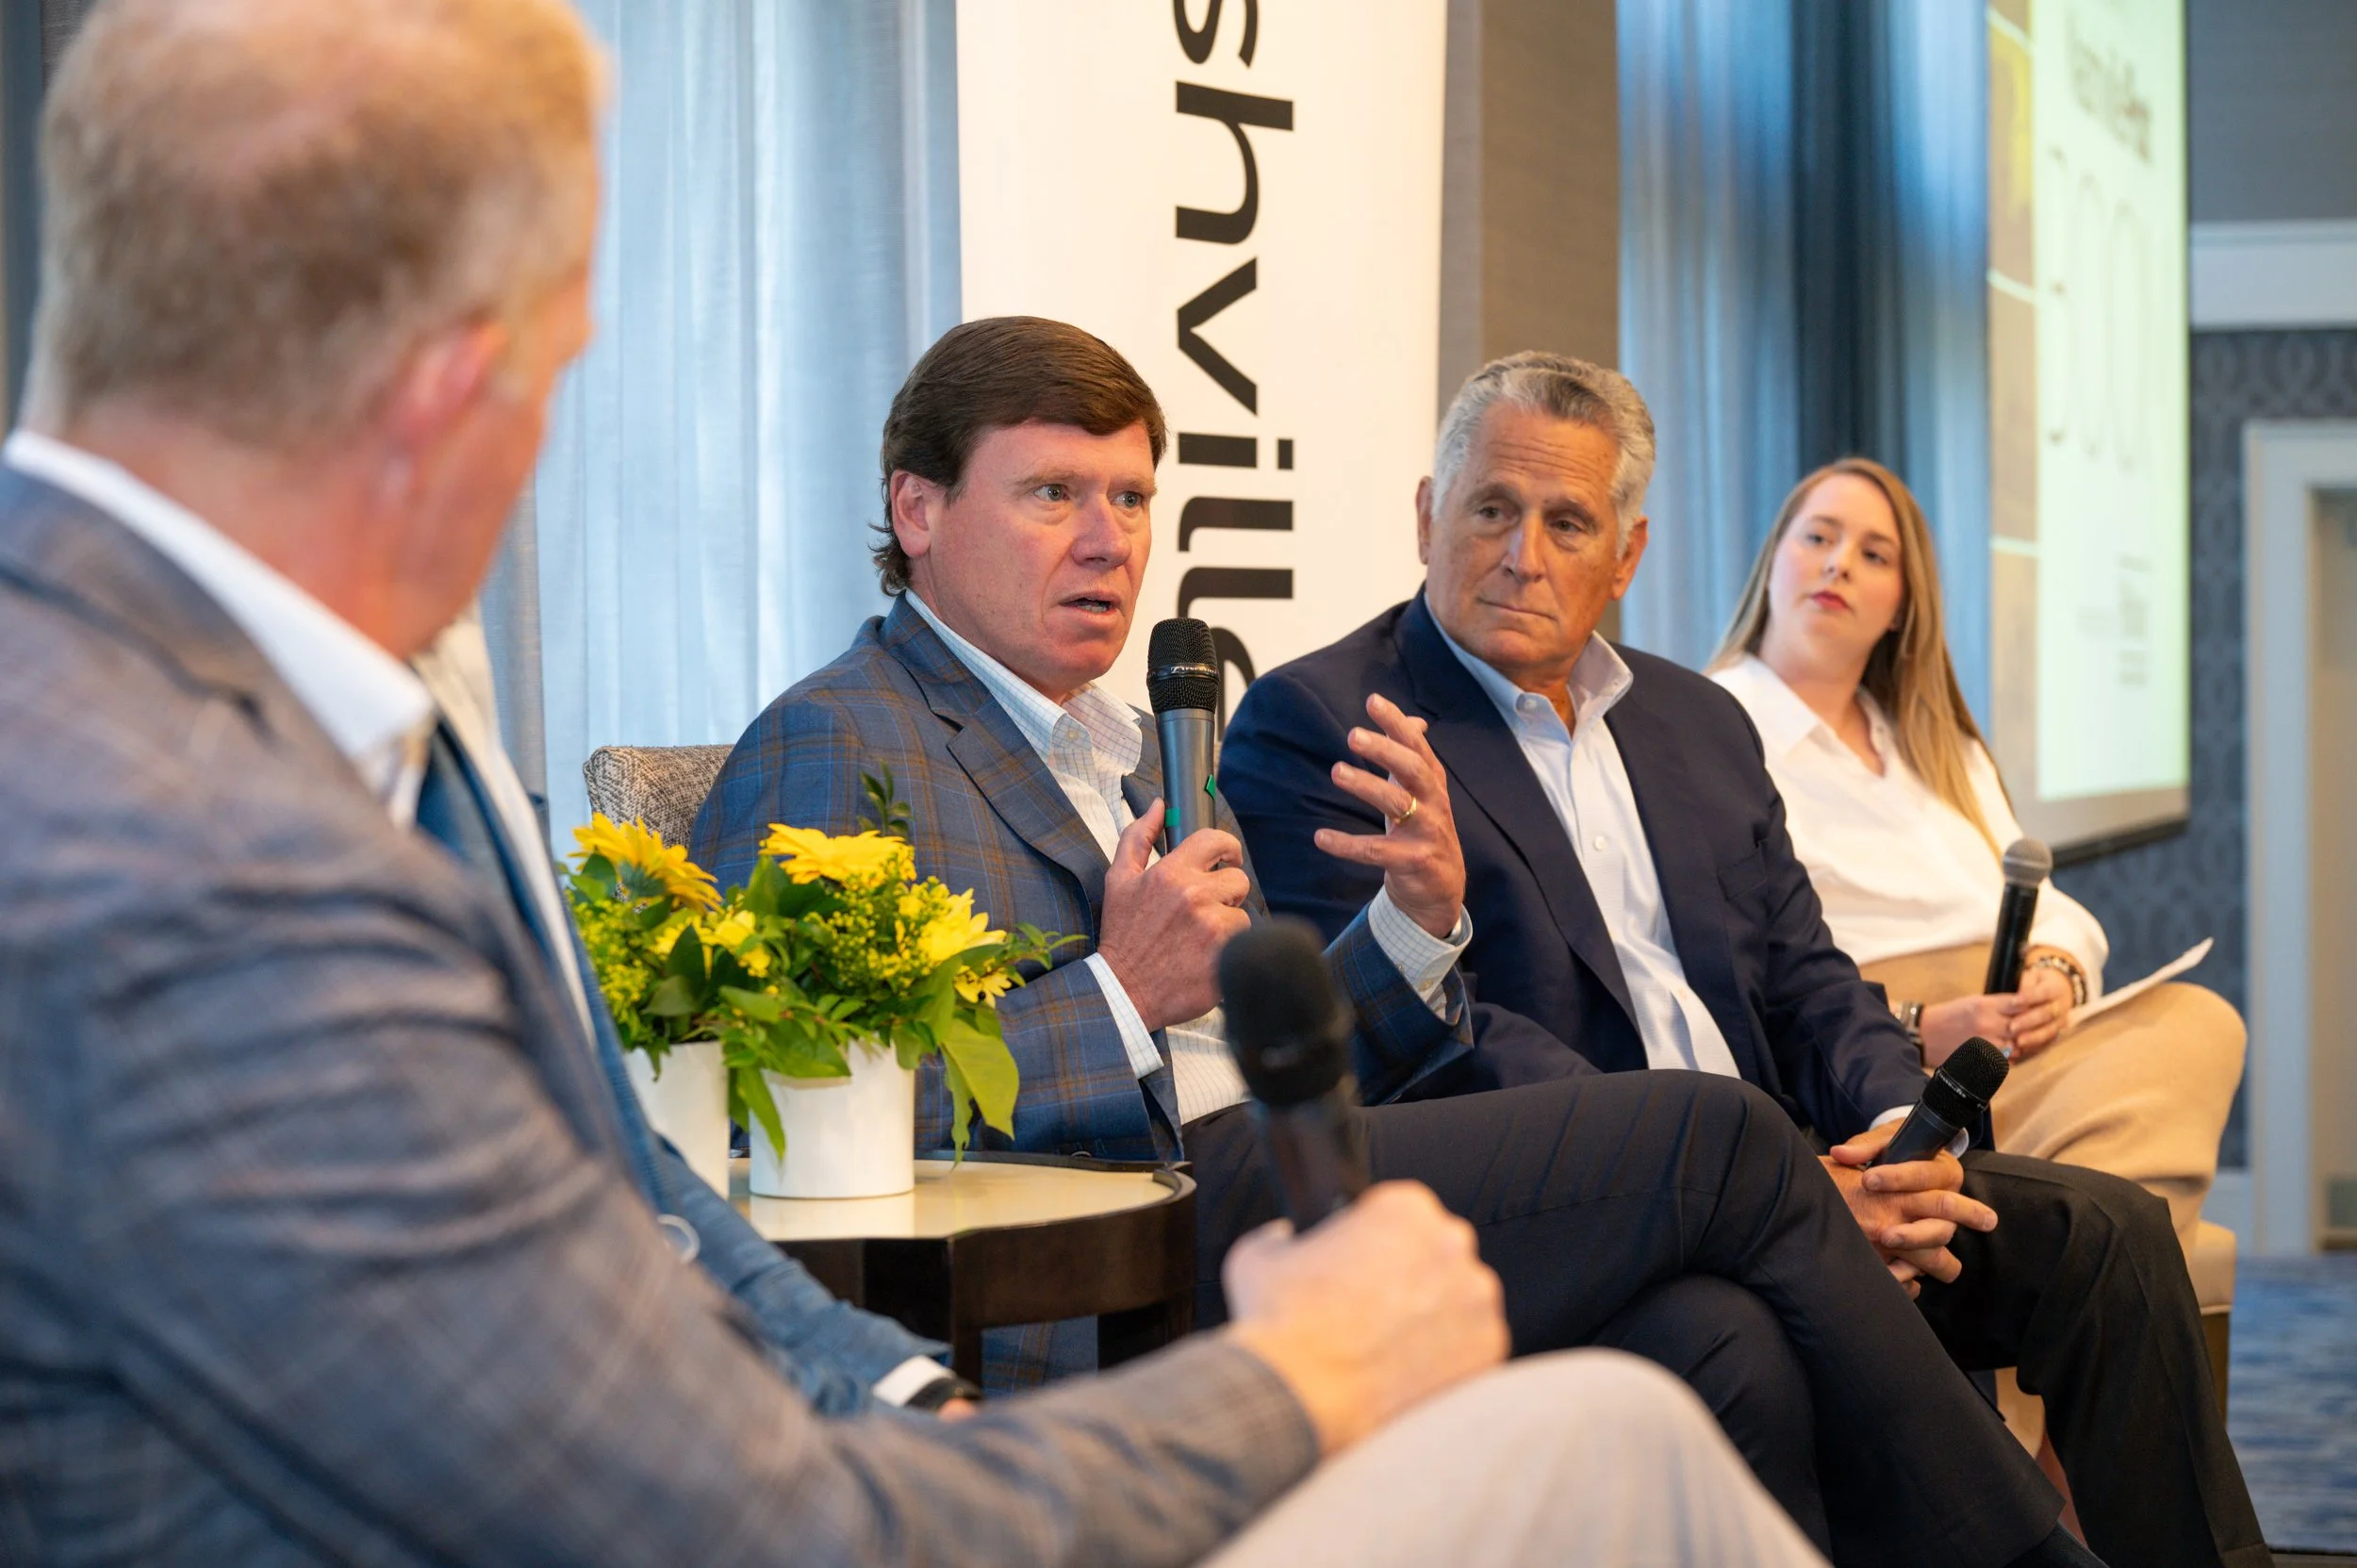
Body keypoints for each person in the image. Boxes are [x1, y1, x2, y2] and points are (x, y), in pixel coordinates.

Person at [0, 4, 1838, 1564]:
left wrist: (882, 1376)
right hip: (1022, 1405)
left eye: (1131, 497)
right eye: (560, 374)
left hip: (927, 1390)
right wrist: (1303, 1377)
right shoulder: (190, 858)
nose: (1106, 539)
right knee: (1642, 1389)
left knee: (1661, 1392)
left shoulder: (318, 731)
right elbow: (773, 1484)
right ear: (445, 385)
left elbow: (645, 1182)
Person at [697, 316, 2105, 1568]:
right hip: (1146, 1233)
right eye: (1053, 492)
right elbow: (783, 1123)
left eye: (1131, 495)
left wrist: (1414, 931)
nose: (1110, 539)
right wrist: (1118, 995)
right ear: (919, 506)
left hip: (1283, 1162)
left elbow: (1257, 1038)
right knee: (1728, 1141)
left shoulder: (1117, 748)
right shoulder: (841, 739)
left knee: (1716, 1344)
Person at [1217, 351, 2271, 1568]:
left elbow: (1809, 975)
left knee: (2113, 1235)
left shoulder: (1696, 721)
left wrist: (1896, 1138)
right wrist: (1791, 1182)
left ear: (1629, 554)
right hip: (1610, 1209)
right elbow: (1437, 1047)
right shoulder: (1331, 718)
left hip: (1818, 1165)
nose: (1523, 554)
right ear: (1425, 514)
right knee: (1745, 1341)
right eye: (1491, 509)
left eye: (1568, 522)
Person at [1704, 455, 2248, 1464]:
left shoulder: (1933, 739)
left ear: (1902, 602)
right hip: (1879, 1045)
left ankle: (2031, 1455)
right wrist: (1918, 1022)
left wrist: (2055, 971)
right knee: (2156, 1113)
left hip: (2013, 1033)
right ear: (1772, 560)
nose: (1838, 564)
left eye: (1875, 553)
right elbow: (1753, 966)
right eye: (1817, 535)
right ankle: (2055, 1461)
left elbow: (2054, 899)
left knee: (2199, 1021)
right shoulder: (1709, 725)